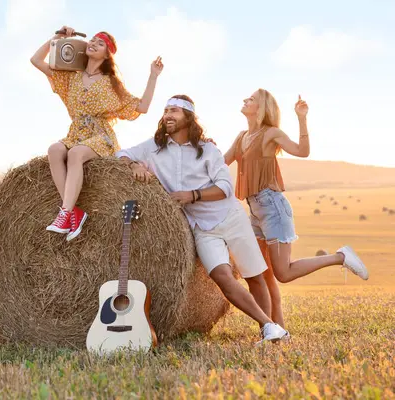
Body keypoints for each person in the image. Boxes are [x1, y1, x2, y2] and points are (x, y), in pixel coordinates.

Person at [116, 95, 289, 344]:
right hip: (201, 228)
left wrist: (192, 195)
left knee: (254, 277)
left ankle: (268, 330)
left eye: (174, 111)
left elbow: (225, 188)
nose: (167, 116)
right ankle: (270, 326)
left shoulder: (207, 150)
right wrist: (133, 165)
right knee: (222, 278)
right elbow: (121, 153)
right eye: (165, 111)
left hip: (229, 217)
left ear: (188, 116)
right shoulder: (153, 147)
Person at [224, 89, 369, 327]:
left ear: (261, 107)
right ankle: (276, 330)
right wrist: (203, 148)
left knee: (283, 273)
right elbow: (222, 163)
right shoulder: (242, 137)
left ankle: (340, 256)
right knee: (264, 273)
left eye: (250, 99)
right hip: (254, 211)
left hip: (273, 207)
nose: (244, 100)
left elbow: (303, 152)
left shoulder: (271, 133)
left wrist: (301, 118)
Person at [30, 26, 164, 241]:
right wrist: (57, 39)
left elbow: (142, 107)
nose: (93, 43)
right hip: (76, 133)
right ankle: (74, 212)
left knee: (75, 155)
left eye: (100, 43)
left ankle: (64, 212)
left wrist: (153, 76)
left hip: (101, 136)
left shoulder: (111, 84)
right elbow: (36, 61)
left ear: (107, 54)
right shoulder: (71, 77)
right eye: (92, 40)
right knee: (54, 150)